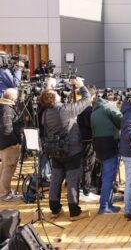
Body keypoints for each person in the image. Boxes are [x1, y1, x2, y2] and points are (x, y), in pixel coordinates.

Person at [40, 78, 91, 221]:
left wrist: (48, 86)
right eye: (55, 93)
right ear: (54, 98)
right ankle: (74, 211)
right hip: (72, 151)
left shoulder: (45, 113)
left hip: (55, 151)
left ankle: (55, 209)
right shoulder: (65, 110)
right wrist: (81, 86)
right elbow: (87, 100)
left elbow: (47, 98)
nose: (57, 93)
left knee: (56, 180)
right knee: (72, 180)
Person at [91, 91, 123, 214]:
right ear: (113, 100)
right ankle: (104, 206)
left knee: (106, 175)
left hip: (98, 144)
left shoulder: (96, 108)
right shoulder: (109, 107)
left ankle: (108, 201)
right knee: (109, 177)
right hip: (110, 144)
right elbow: (122, 122)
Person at [76, 85, 100, 202]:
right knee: (87, 166)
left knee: (82, 165)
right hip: (87, 141)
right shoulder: (88, 109)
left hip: (80, 140)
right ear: (93, 96)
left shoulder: (78, 106)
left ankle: (82, 189)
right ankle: (85, 191)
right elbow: (91, 125)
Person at [0, 88, 22, 201]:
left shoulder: (3, 105)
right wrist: (14, 142)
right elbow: (7, 127)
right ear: (12, 97)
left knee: (5, 167)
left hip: (4, 143)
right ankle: (5, 194)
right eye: (17, 95)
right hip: (9, 144)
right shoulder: (7, 109)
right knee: (9, 168)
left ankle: (3, 191)